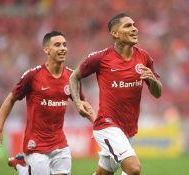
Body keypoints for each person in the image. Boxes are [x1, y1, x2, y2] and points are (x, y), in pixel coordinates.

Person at [0, 31, 94, 175]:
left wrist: (97, 123)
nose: (62, 48)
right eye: (57, 45)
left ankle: (21, 164)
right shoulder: (33, 76)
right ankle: (22, 167)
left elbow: (82, 103)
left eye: (64, 45)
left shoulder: (72, 77)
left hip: (59, 143)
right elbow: (10, 99)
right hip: (35, 144)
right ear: (46, 50)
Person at [69, 13, 162, 175]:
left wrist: (153, 81)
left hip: (129, 129)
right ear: (115, 34)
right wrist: (78, 103)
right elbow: (74, 76)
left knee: (103, 173)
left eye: (134, 25)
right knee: (133, 169)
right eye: (128, 26)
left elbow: (157, 93)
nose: (134, 29)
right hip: (106, 125)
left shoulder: (144, 57)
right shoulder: (101, 58)